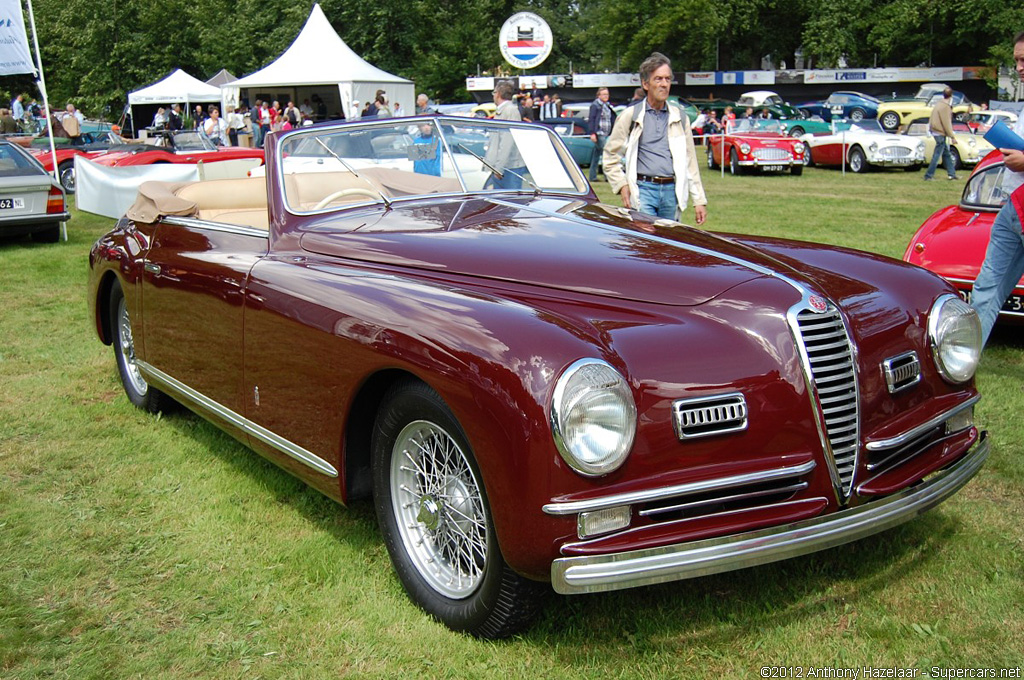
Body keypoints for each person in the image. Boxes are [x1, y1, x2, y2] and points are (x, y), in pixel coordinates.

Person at [603, 52, 708, 224]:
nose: (664, 84)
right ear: (646, 84)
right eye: (658, 79)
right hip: (643, 190)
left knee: (668, 246)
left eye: (667, 79)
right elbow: (610, 157)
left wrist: (699, 201)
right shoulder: (631, 115)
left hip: (671, 192)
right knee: (646, 245)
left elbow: (690, 162)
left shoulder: (680, 117)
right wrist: (622, 185)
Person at [971, 31, 1024, 346]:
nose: (1019, 67)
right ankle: (960, 362)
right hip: (1013, 209)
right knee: (986, 288)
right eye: (1017, 60)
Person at [483, 81, 526, 190]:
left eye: (493, 92)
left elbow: (507, 142)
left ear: (498, 94)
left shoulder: (510, 111)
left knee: (511, 203)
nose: (493, 95)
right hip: (502, 167)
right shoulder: (504, 110)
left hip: (509, 168)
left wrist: (499, 168)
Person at [923, 87, 958, 181]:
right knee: (937, 155)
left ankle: (952, 174)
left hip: (935, 131)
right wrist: (952, 137)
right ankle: (928, 175)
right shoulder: (945, 107)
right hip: (940, 132)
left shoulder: (939, 104)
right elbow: (947, 123)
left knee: (946, 154)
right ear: (951, 96)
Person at [587, 87, 616, 181]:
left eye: (607, 94)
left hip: (607, 133)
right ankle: (607, 176)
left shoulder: (607, 106)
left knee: (596, 155)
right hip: (599, 133)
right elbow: (592, 119)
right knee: (607, 154)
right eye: (604, 94)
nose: (606, 96)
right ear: (599, 95)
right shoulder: (595, 105)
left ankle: (592, 176)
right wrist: (592, 133)